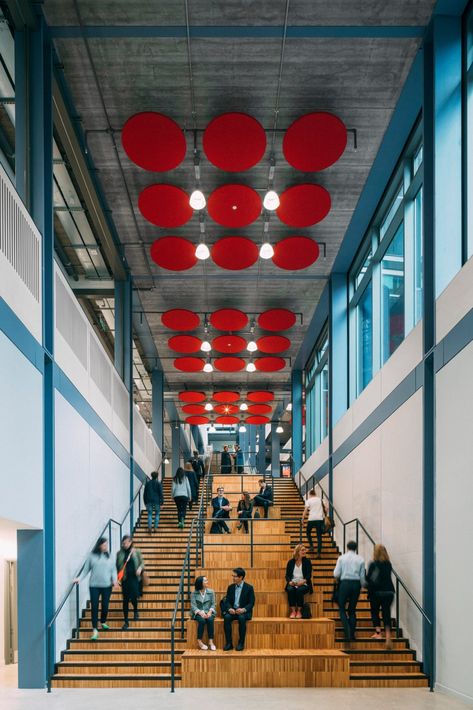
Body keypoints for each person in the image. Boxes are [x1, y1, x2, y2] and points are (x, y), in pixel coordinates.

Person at [73, 537, 118, 640]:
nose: (106, 546)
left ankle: (102, 621)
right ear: (99, 545)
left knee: (105, 606)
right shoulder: (91, 556)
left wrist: (115, 580)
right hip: (94, 586)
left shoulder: (110, 556)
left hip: (107, 586)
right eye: (104, 545)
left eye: (107, 544)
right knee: (94, 607)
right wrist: (79, 579)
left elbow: (113, 570)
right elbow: (85, 571)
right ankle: (95, 630)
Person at [333, 540, 366, 645]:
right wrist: (363, 586)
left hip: (345, 584)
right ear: (356, 548)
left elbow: (336, 574)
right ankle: (352, 634)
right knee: (352, 610)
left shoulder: (342, 558)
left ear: (347, 547)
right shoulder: (360, 559)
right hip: (356, 585)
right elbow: (362, 576)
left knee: (342, 608)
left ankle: (347, 631)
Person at [366, 544, 395, 649]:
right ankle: (388, 636)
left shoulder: (373, 564)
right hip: (389, 592)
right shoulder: (388, 564)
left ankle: (378, 633)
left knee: (374, 611)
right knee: (386, 613)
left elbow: (369, 579)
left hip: (377, 592)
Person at [221, 567, 255, 651]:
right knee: (227, 617)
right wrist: (229, 608)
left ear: (241, 577)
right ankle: (229, 643)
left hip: (243, 612)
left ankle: (241, 643)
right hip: (233, 611)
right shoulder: (230, 587)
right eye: (233, 576)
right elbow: (227, 600)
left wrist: (243, 609)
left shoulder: (249, 588)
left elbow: (251, 603)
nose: (233, 578)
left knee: (241, 618)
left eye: (235, 576)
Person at [116, 535, 144, 630]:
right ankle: (126, 622)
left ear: (130, 542)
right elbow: (117, 567)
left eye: (126, 542)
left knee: (133, 598)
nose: (124, 544)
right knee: (125, 600)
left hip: (135, 578)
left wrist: (140, 568)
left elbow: (142, 563)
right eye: (123, 543)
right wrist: (117, 579)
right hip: (125, 579)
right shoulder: (119, 553)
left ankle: (135, 610)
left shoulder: (137, 552)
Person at [285, 543, 313, 618]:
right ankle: (293, 611)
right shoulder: (290, 562)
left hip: (304, 583)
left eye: (305, 550)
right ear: (297, 551)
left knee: (299, 590)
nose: (304, 551)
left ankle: (299, 611)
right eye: (302, 550)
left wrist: (303, 582)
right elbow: (287, 575)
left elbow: (309, 575)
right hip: (293, 583)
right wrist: (290, 582)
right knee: (290, 590)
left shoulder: (307, 562)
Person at [190, 575, 217, 650]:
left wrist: (210, 612)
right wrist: (200, 613)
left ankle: (211, 641)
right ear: (200, 583)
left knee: (210, 620)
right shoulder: (194, 593)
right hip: (198, 612)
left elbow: (213, 604)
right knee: (201, 621)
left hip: (209, 612)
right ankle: (199, 641)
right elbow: (193, 606)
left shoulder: (211, 592)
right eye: (205, 581)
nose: (207, 582)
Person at [302, 488, 327, 559]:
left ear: (310, 494)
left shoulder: (309, 500)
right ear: (315, 494)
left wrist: (302, 519)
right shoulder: (321, 500)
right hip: (319, 519)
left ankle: (311, 546)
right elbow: (326, 508)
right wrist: (324, 514)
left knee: (308, 532)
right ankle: (318, 553)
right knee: (319, 536)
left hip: (311, 519)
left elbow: (305, 510)